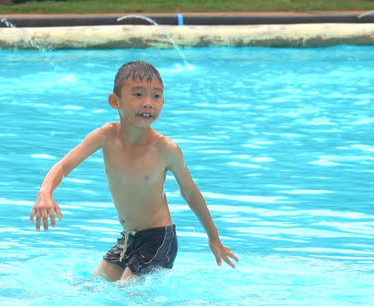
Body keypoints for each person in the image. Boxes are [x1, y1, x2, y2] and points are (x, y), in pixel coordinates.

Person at [29, 61, 238, 282]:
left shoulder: (166, 149)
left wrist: (214, 238)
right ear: (115, 101)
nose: (148, 103)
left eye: (156, 96)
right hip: (130, 238)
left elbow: (190, 192)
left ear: (163, 102)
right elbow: (63, 165)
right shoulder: (106, 136)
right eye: (138, 94)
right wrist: (45, 193)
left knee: (127, 293)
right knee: (89, 286)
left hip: (159, 239)